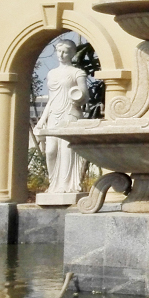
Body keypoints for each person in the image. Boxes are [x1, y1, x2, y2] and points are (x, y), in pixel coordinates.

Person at [34, 39, 89, 193]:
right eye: (59, 51)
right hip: (54, 115)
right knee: (50, 151)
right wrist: (42, 120)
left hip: (70, 114)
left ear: (72, 53)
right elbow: (51, 99)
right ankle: (54, 184)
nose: (61, 54)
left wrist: (78, 97)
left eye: (65, 52)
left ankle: (66, 186)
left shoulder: (77, 73)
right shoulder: (52, 73)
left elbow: (85, 96)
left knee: (66, 151)